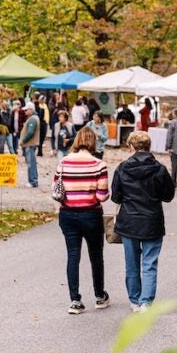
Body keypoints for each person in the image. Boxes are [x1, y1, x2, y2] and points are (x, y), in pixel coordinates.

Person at [111, 130, 175, 312]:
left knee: (131, 263)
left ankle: (134, 300)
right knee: (149, 263)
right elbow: (168, 196)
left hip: (129, 221)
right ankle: (146, 301)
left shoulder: (123, 168)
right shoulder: (159, 169)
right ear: (148, 147)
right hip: (152, 221)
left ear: (131, 147)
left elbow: (116, 197)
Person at [53, 127, 110, 314]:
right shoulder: (98, 164)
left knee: (73, 255)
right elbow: (102, 196)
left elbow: (57, 189)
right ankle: (100, 296)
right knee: (96, 255)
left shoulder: (63, 162)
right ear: (93, 141)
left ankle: (75, 300)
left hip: (67, 214)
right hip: (90, 214)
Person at [19, 104, 41, 187]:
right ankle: (33, 180)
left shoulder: (32, 119)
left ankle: (32, 181)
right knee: (32, 163)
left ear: (31, 110)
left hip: (30, 144)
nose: (25, 111)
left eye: (26, 110)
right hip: (31, 144)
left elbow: (30, 132)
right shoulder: (33, 118)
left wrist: (23, 141)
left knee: (31, 163)